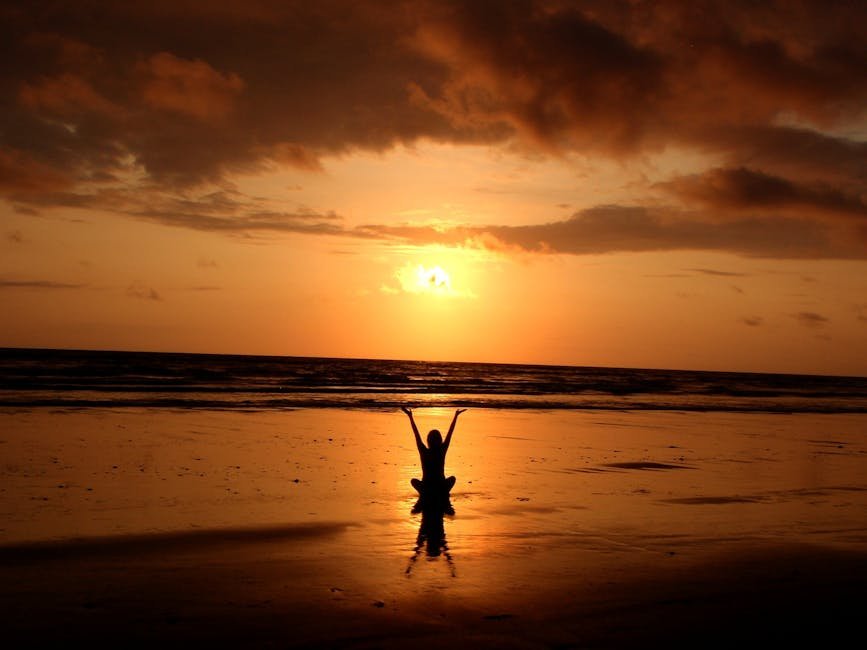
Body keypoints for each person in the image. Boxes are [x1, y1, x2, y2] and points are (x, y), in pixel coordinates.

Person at [401, 407, 466, 501]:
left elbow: (416, 434)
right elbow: (450, 433)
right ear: (440, 440)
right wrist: (456, 416)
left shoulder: (424, 451)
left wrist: (410, 416)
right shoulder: (442, 450)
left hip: (426, 487)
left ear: (428, 440)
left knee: (413, 481)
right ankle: (441, 493)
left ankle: (428, 493)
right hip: (440, 486)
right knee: (452, 479)